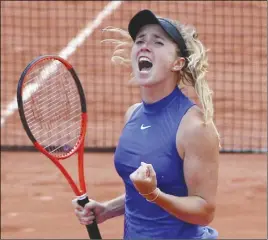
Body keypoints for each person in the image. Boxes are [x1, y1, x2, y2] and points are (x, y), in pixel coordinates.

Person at [72, 9, 220, 239]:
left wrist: (154, 194)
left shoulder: (194, 127)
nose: (144, 46)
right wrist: (107, 209)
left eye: (157, 42)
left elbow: (204, 211)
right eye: (139, 40)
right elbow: (138, 192)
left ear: (178, 63)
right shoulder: (133, 115)